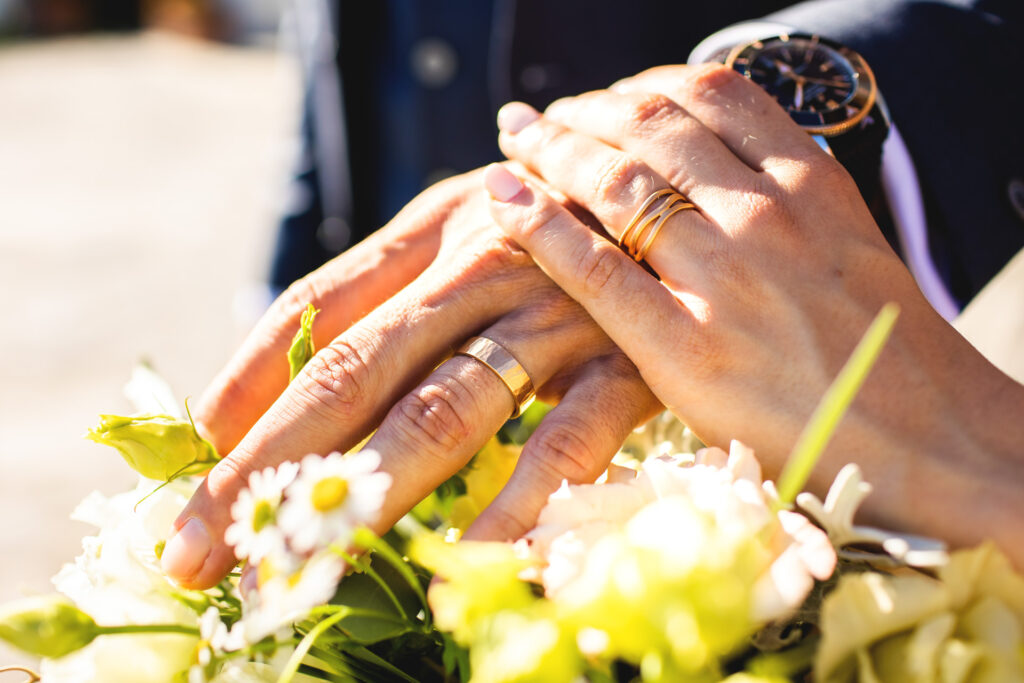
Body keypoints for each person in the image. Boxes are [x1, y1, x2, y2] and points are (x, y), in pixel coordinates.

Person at [160, 0, 1024, 589]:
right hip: (407, 307)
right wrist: (294, 296)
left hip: (697, 379)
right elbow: (333, 69)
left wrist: (707, 180)